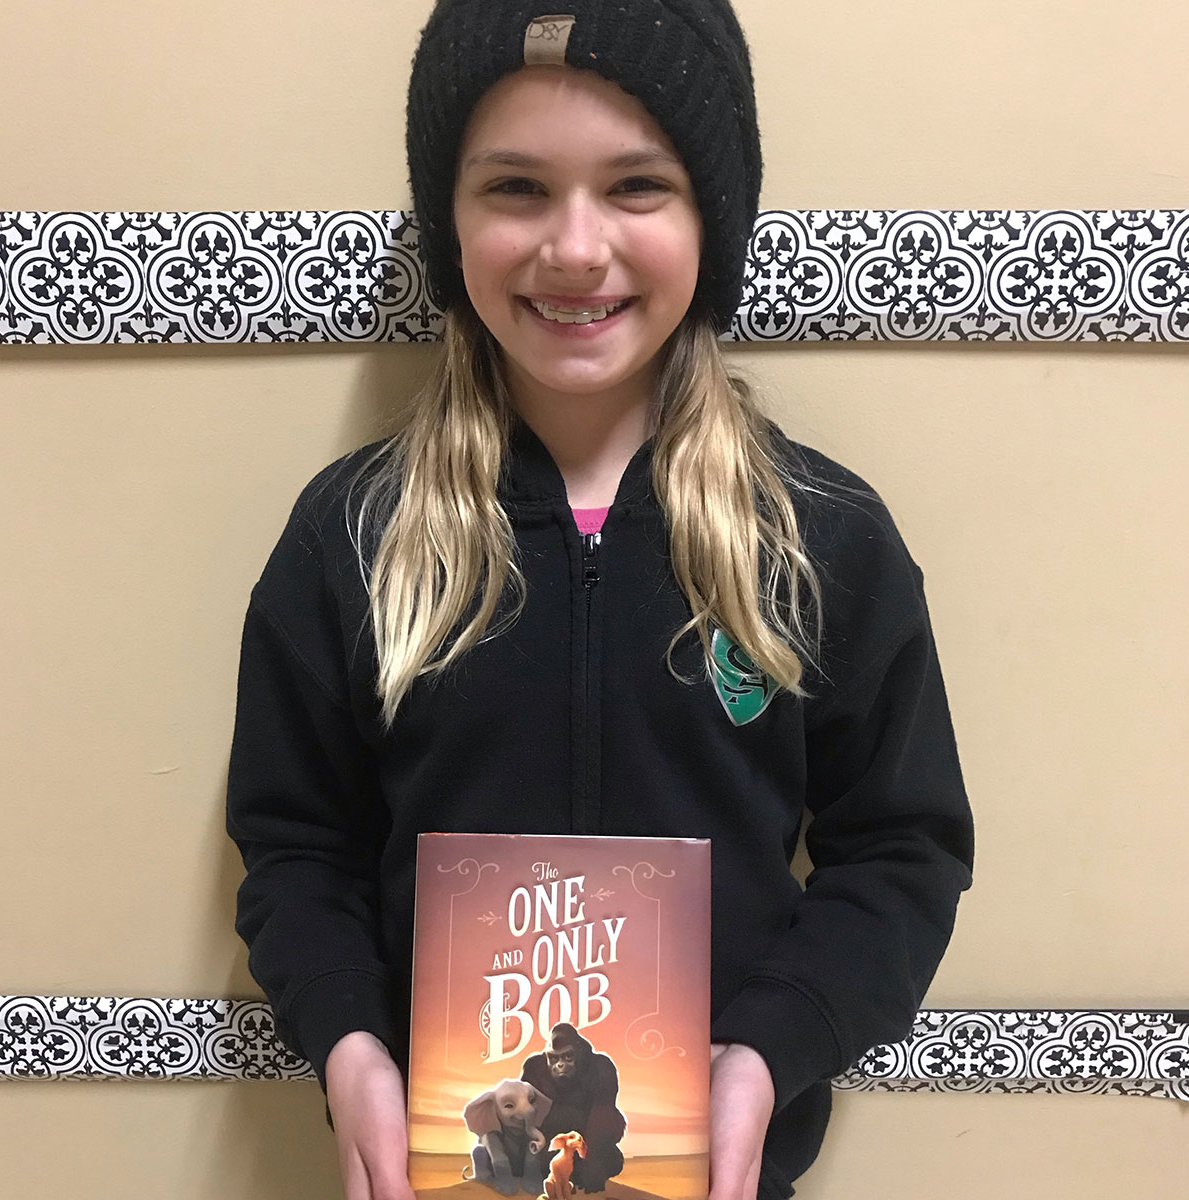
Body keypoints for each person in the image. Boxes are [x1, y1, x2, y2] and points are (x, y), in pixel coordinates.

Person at [225, 2, 975, 1199]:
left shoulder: (818, 537)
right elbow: (297, 846)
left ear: (712, 217)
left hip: (702, 1165)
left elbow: (901, 851)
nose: (575, 248)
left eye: (637, 187)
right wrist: (349, 1043)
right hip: (446, 1168)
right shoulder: (354, 534)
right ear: (450, 222)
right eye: (516, 188)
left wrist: (769, 1053)